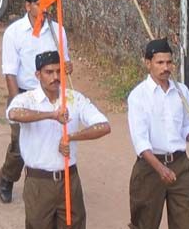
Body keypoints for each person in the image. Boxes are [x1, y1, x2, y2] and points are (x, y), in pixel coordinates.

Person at [8, 51, 112, 229]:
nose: (55, 77)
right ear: (38, 75)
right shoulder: (27, 99)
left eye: (59, 71)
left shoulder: (73, 98)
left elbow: (104, 126)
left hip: (69, 180)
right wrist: (52, 115)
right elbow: (13, 114)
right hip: (39, 183)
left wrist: (71, 137)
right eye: (49, 72)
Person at [0, 0, 73, 203]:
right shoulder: (13, 33)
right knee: (20, 144)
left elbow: (65, 62)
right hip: (26, 93)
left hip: (52, 93)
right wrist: (17, 102)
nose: (45, 8)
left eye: (48, 4)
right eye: (40, 4)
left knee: (54, 139)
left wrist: (68, 67)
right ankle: (7, 177)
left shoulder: (58, 30)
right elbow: (10, 73)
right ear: (28, 5)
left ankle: (49, 184)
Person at [127, 38, 189, 229]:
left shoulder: (182, 91)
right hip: (149, 167)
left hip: (180, 166)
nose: (166, 67)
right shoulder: (138, 96)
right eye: (160, 62)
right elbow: (140, 142)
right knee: (144, 223)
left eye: (169, 62)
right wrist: (160, 168)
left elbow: (186, 127)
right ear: (148, 63)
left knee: (186, 223)